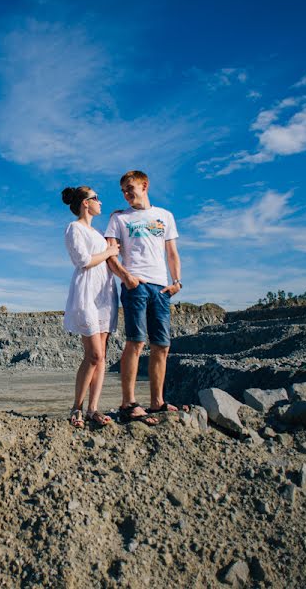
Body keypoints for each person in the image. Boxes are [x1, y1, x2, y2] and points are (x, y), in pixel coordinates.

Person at [104, 170, 185, 425]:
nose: (127, 194)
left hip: (161, 288)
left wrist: (177, 282)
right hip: (135, 285)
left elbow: (171, 252)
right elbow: (110, 253)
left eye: (130, 188)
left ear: (144, 185)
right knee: (136, 342)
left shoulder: (165, 216)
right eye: (123, 191)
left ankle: (157, 402)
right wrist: (126, 277)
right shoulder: (119, 218)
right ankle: (128, 403)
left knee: (161, 346)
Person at [61, 185, 120, 428]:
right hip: (86, 294)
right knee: (93, 354)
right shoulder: (75, 228)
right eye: (96, 198)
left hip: (105, 294)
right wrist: (109, 252)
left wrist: (110, 251)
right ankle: (77, 407)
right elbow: (83, 261)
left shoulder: (97, 232)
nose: (100, 202)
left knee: (102, 355)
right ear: (86, 203)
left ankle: (93, 408)